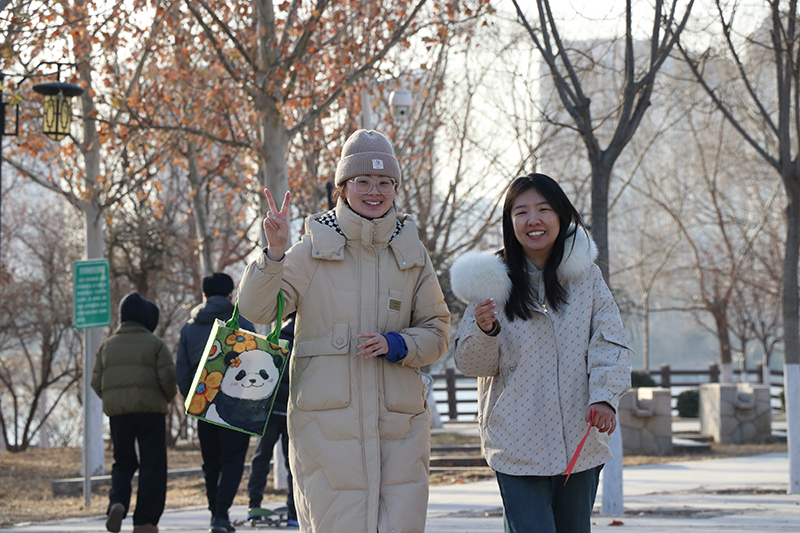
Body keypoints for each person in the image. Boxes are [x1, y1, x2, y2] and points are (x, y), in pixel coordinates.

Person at [237, 129, 451, 533]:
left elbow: (438, 331)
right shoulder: (311, 250)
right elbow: (256, 309)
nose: (374, 192)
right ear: (343, 186)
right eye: (363, 181)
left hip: (400, 432)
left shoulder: (412, 254)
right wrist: (274, 254)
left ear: (396, 188)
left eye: (385, 182)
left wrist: (398, 344)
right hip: (326, 435)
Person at [450, 173, 632, 533]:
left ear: (561, 215)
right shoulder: (490, 282)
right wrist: (485, 331)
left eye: (543, 209)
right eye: (521, 212)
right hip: (516, 442)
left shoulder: (587, 278)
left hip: (579, 438)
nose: (533, 220)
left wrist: (604, 397)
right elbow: (471, 364)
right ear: (510, 222)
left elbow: (610, 342)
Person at [91, 292, 177, 533]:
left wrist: (115, 400)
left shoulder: (107, 346)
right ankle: (144, 522)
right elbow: (168, 380)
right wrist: (167, 398)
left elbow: (96, 382)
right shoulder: (156, 344)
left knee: (123, 462)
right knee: (153, 465)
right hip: (151, 412)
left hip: (119, 414)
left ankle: (117, 503)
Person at [176, 272, 255, 533]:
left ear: (205, 296)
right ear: (231, 295)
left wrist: (194, 401)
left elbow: (182, 372)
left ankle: (215, 515)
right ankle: (221, 515)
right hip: (237, 404)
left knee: (211, 463)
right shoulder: (244, 325)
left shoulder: (190, 328)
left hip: (204, 401)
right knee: (232, 460)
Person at [247, 313, 297, 527]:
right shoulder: (305, 340)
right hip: (292, 413)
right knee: (292, 462)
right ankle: (294, 512)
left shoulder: (274, 340)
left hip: (269, 412)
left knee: (261, 458)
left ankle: (254, 505)